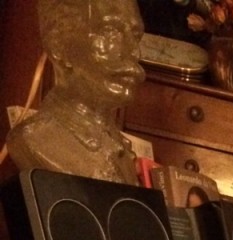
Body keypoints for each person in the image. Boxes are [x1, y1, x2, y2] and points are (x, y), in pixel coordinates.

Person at [6, 0, 145, 184]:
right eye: (109, 31)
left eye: (135, 36)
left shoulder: (122, 151)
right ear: (59, 44)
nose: (134, 52)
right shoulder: (34, 140)